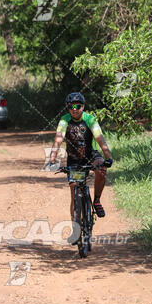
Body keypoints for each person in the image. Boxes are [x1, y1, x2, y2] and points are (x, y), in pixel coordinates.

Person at [48, 92, 113, 228]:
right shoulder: (65, 120)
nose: (74, 109)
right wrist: (52, 159)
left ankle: (96, 200)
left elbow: (100, 139)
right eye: (71, 106)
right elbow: (58, 139)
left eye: (78, 106)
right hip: (75, 159)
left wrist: (108, 157)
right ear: (68, 107)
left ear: (83, 106)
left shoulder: (90, 119)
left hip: (91, 156)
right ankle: (75, 228)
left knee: (101, 169)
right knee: (74, 192)